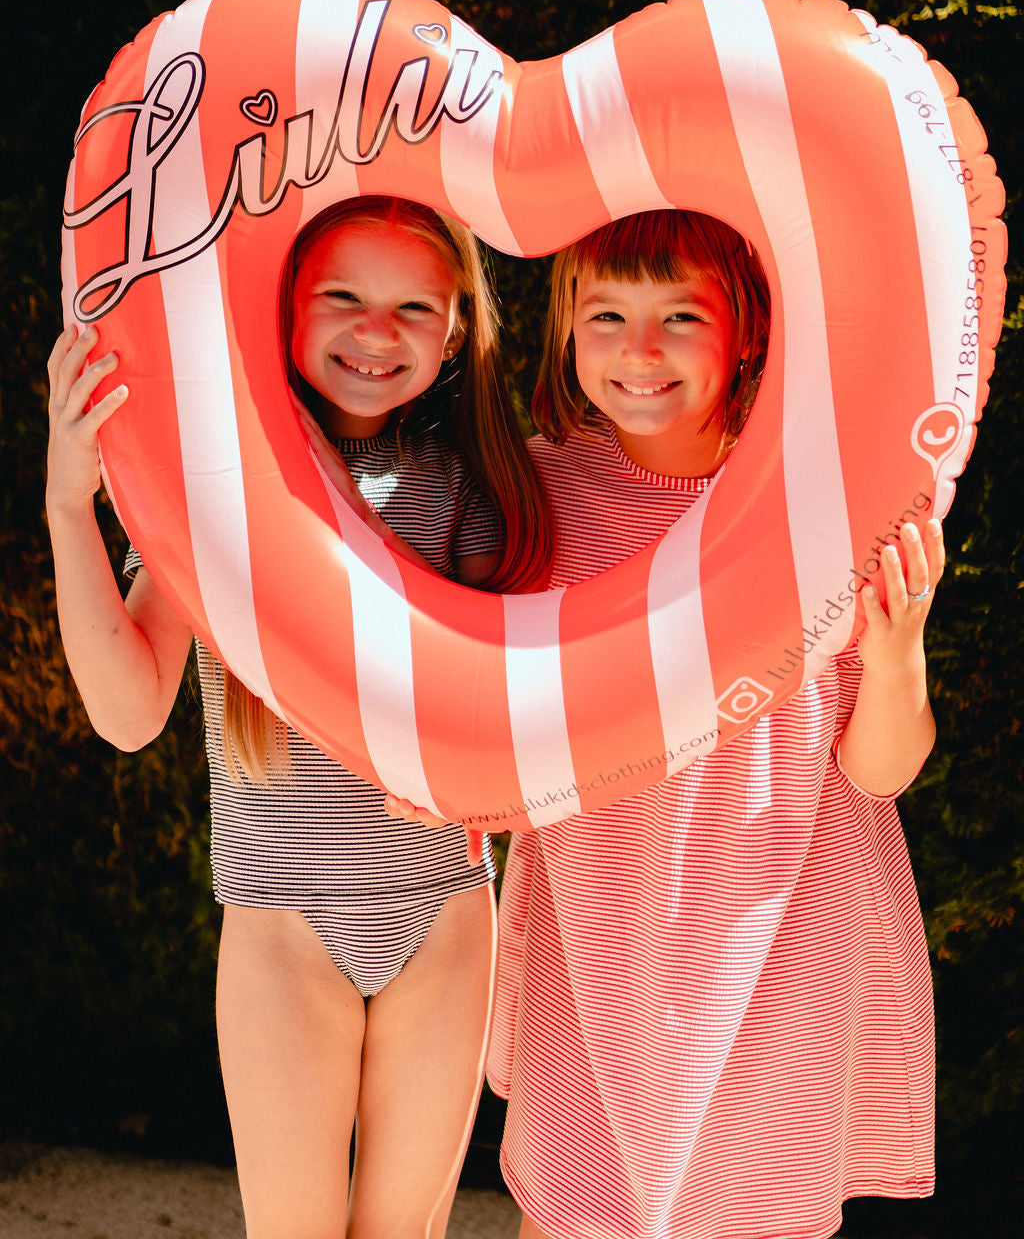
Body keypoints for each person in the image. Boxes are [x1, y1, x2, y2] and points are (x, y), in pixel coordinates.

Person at [45, 194, 551, 1239]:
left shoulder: (472, 488)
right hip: (282, 925)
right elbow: (129, 712)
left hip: (443, 917)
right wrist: (67, 506)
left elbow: (508, 720)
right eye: (343, 296)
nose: (377, 332)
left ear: (459, 326)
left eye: (415, 307)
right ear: (283, 304)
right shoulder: (218, 489)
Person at [483, 209, 941, 1239]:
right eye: (605, 315)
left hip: (781, 928)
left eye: (679, 316)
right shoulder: (535, 489)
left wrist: (898, 648)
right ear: (564, 327)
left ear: (748, 331)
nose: (638, 351)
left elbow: (880, 772)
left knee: (751, 1209)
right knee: (571, 1205)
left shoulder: (826, 492)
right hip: (597, 925)